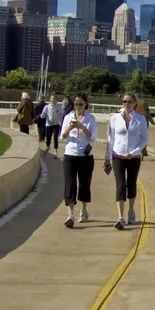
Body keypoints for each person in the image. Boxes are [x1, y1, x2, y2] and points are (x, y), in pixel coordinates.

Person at [105, 93, 148, 230]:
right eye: (124, 101)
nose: (126, 104)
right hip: (118, 155)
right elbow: (110, 138)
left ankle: (131, 211)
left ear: (134, 103)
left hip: (134, 157)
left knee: (131, 184)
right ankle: (120, 216)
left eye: (129, 101)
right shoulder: (115, 118)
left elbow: (144, 139)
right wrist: (107, 157)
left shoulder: (140, 119)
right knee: (120, 185)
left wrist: (134, 152)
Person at [59, 94, 98, 228]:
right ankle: (70, 214)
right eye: (76, 104)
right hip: (70, 154)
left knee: (84, 183)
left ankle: (84, 209)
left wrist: (82, 126)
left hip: (85, 156)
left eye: (81, 104)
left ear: (86, 104)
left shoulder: (91, 118)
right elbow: (62, 137)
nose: (78, 107)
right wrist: (69, 129)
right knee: (70, 184)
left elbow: (93, 138)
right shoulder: (68, 117)